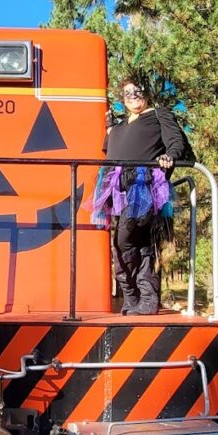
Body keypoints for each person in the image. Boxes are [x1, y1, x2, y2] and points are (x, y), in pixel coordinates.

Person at [91, 81, 195, 315]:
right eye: (127, 93)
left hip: (143, 183)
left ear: (147, 94)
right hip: (117, 186)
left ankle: (144, 295)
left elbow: (176, 143)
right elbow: (110, 151)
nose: (133, 96)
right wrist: (110, 128)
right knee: (128, 243)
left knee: (126, 239)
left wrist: (169, 156)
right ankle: (133, 298)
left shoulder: (158, 115)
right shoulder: (118, 126)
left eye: (138, 91)